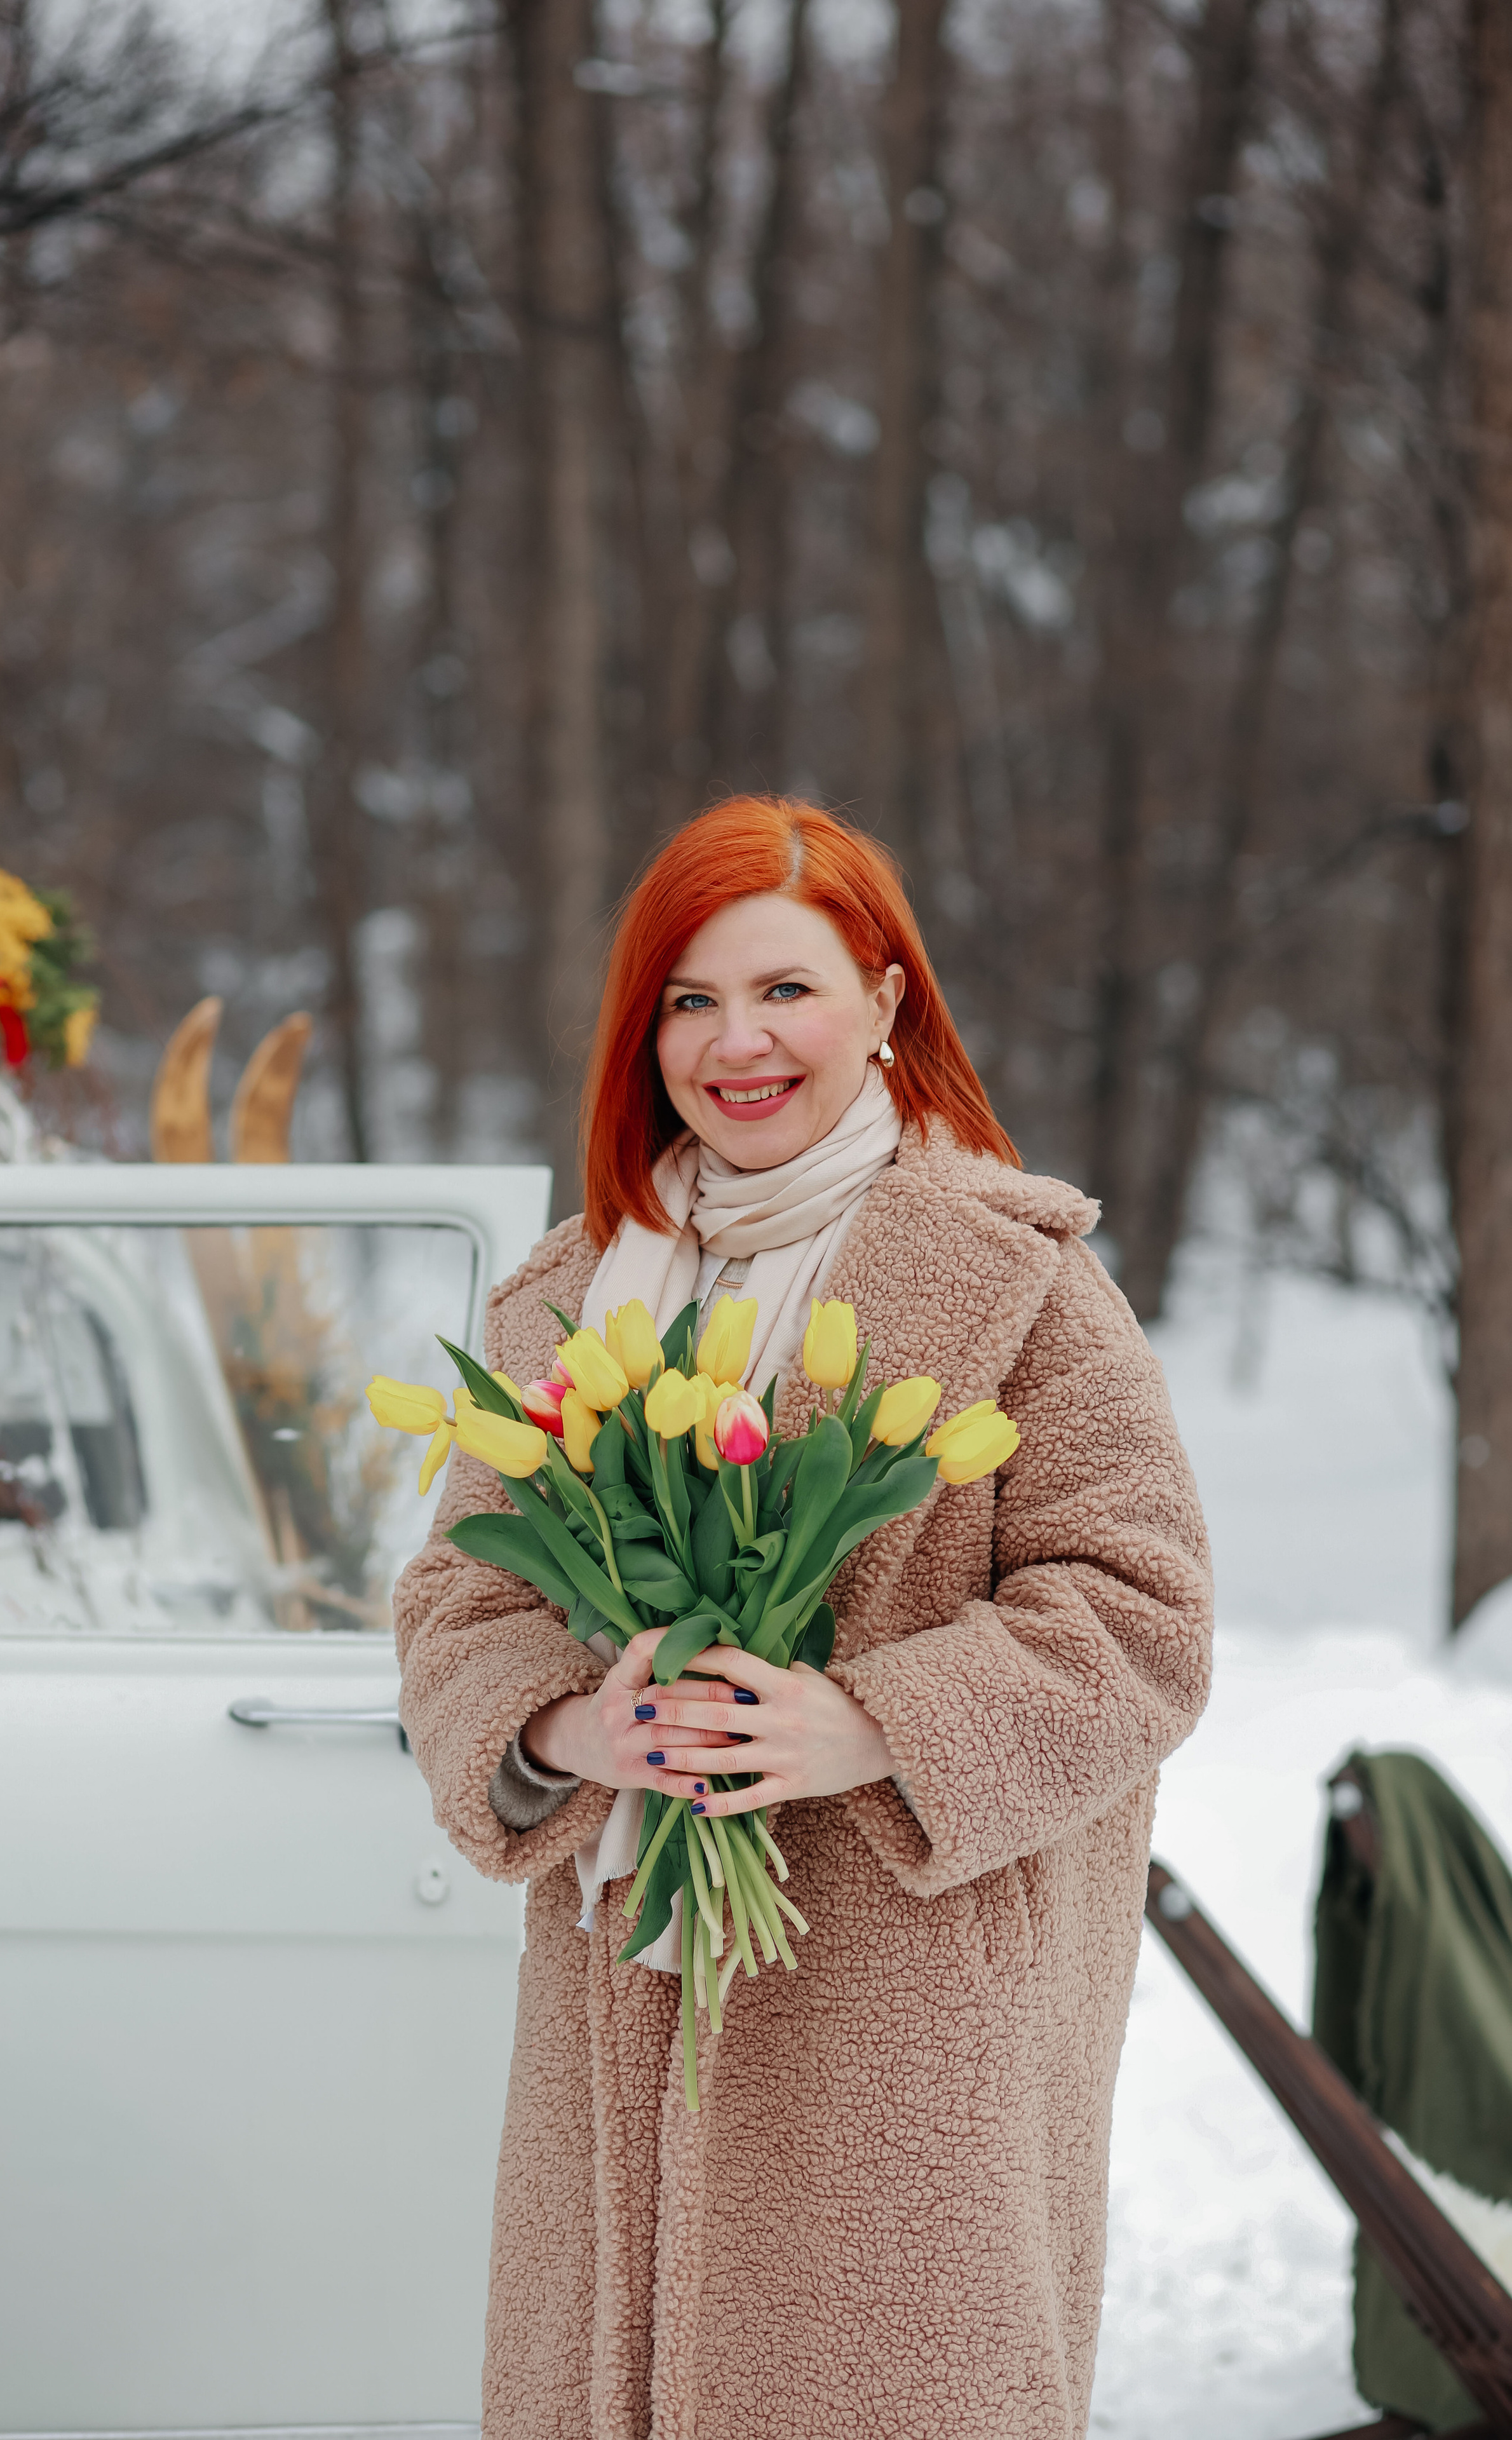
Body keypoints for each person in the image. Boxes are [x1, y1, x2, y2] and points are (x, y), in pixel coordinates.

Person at [395, 796, 1212, 2440]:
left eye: (786, 991)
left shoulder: (1022, 1275)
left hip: (911, 2031)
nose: (736, 1043)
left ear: (887, 1004)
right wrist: (567, 1725)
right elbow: (459, 1603)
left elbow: (1143, 1617)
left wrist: (871, 1721)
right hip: (626, 2016)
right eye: (690, 1003)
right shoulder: (571, 1300)